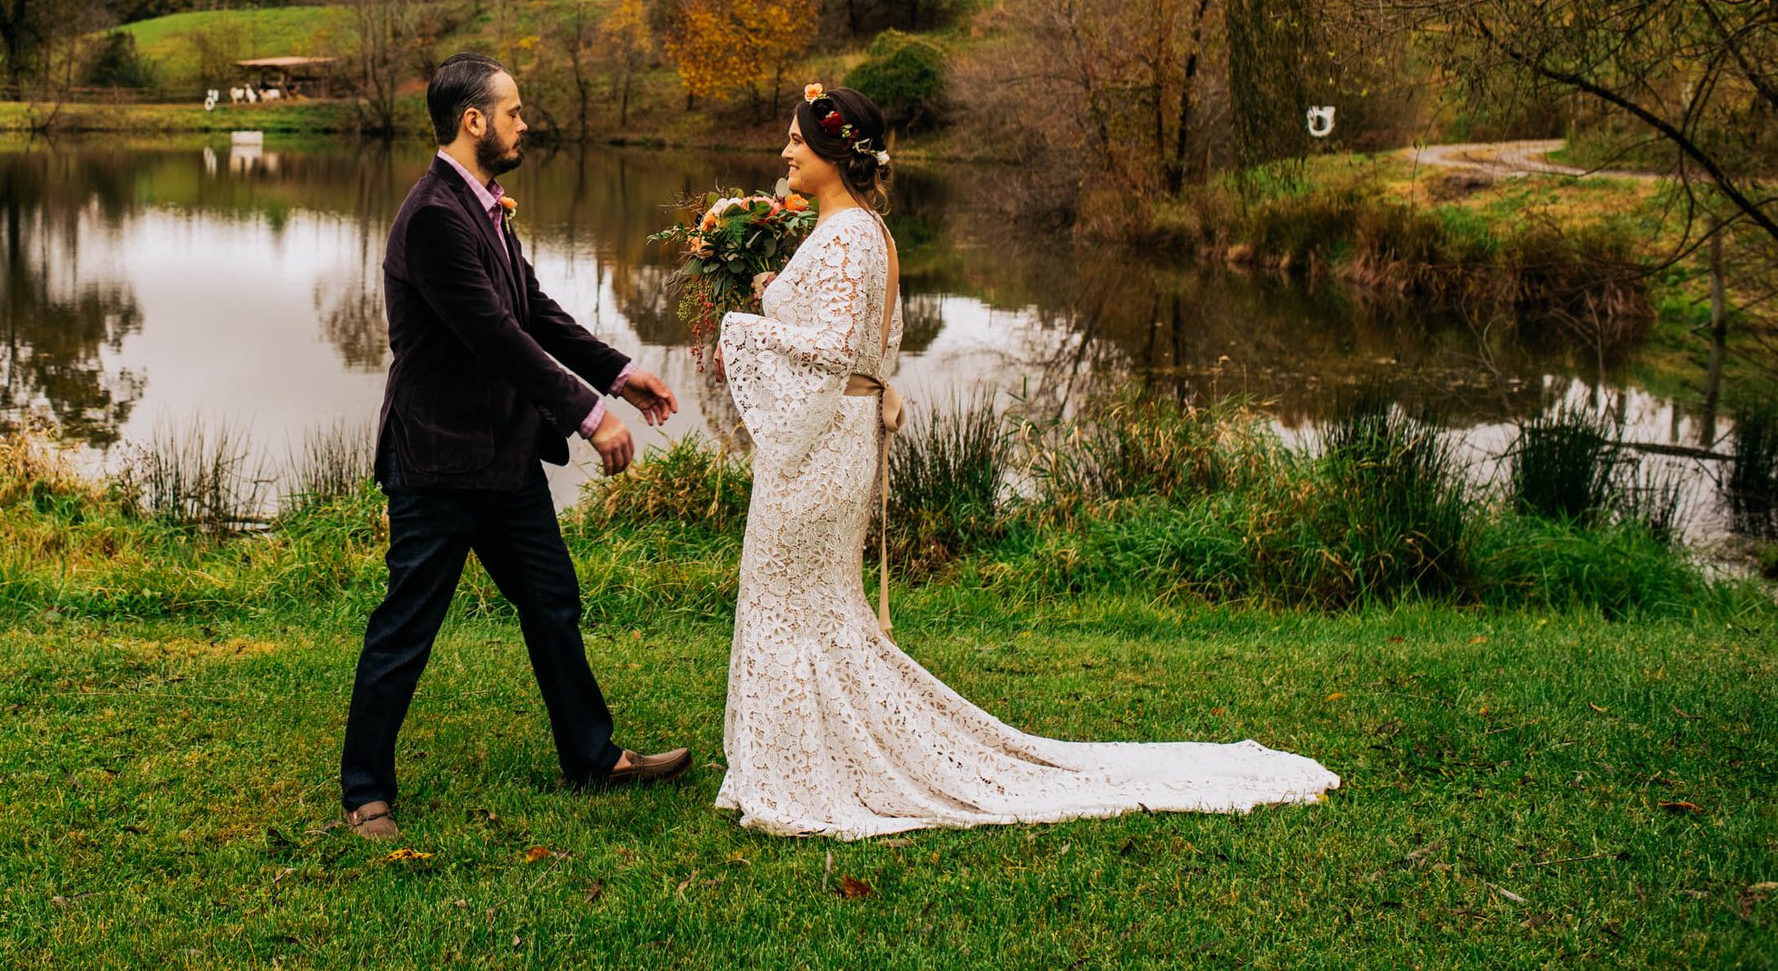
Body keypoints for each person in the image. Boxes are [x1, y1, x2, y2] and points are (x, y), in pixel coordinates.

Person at [714, 83, 1341, 838]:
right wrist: (774, 294)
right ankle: (801, 758)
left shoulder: (846, 237)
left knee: (791, 599)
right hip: (838, 437)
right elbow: (869, 344)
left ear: (832, 153)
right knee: (812, 605)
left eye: (795, 140)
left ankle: (806, 772)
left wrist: (743, 330)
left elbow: (836, 349)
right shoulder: (871, 233)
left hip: (822, 446)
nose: (784, 152)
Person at [339, 53, 693, 842]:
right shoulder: (433, 216)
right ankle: (365, 790)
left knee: (551, 600)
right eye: (513, 110)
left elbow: (532, 308)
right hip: (436, 460)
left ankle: (592, 757)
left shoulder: (484, 206)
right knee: (409, 624)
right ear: (474, 121)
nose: (524, 122)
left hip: (502, 455)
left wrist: (622, 371)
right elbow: (493, 337)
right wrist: (588, 414)